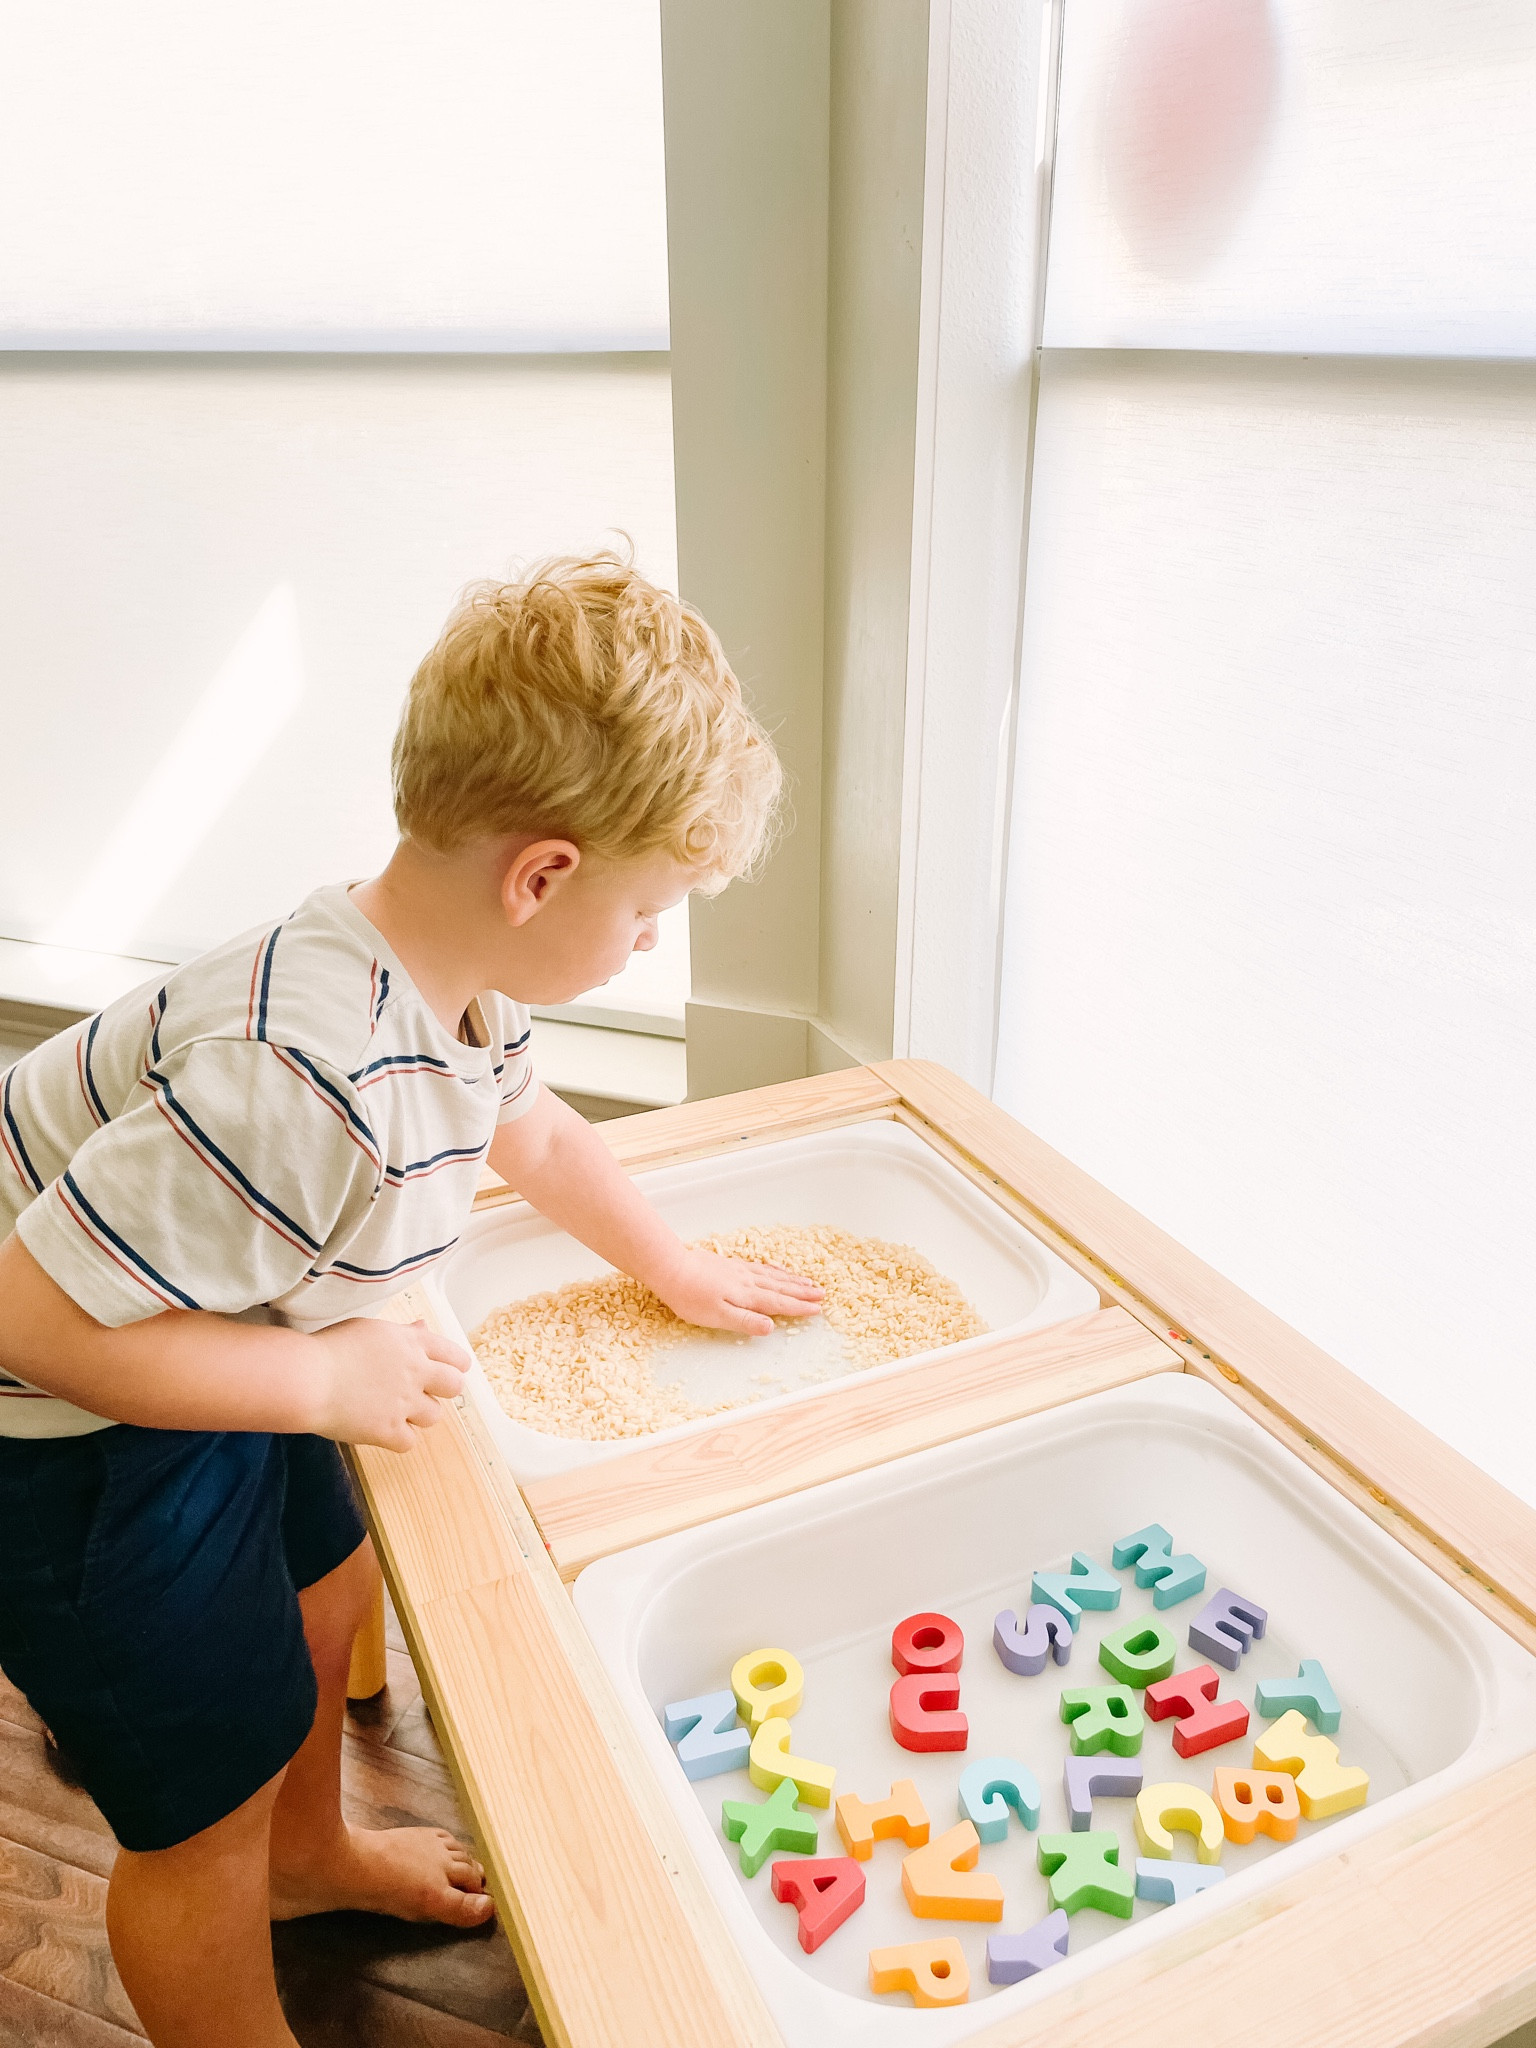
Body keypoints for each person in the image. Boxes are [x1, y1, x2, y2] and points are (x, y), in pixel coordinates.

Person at [0, 553, 823, 2048]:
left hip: (220, 1341)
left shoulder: (450, 977)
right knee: (199, 1808)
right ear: (546, 875)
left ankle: (309, 1860)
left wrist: (674, 1265)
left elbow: (541, 1133)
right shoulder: (298, 1078)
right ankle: (250, 1894)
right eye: (652, 913)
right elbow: (32, 1323)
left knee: (328, 1582)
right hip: (69, 1437)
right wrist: (322, 1388)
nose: (649, 943)